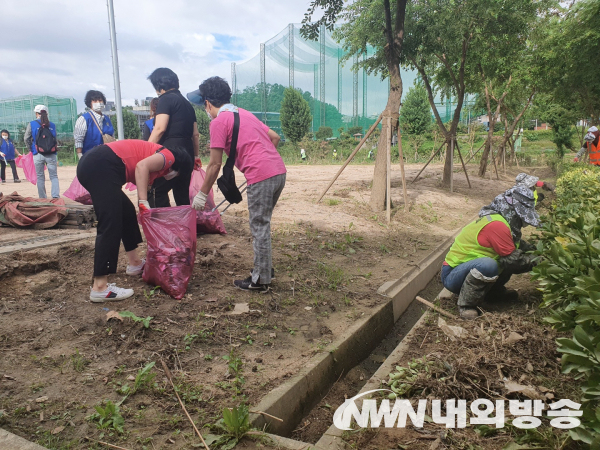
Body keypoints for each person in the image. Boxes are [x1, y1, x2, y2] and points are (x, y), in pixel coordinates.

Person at [188, 76, 286, 292]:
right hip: (279, 172)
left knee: (259, 226)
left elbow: (214, 165)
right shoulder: (244, 114)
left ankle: (260, 280)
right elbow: (275, 137)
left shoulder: (218, 122)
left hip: (262, 176)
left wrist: (202, 195)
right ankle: (265, 268)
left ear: (207, 103)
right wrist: (265, 161)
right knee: (263, 223)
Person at [77, 140, 193, 302]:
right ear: (179, 166)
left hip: (96, 164)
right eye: (179, 174)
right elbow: (141, 167)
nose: (174, 177)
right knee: (110, 223)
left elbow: (143, 179)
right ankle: (100, 287)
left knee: (127, 212)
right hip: (100, 165)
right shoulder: (169, 156)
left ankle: (135, 263)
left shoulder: (158, 164)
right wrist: (142, 202)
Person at [441, 185, 540, 319]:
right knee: (490, 264)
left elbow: (519, 245)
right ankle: (467, 305)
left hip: (463, 272)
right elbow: (514, 261)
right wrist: (539, 261)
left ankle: (494, 294)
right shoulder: (497, 225)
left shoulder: (505, 224)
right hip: (452, 275)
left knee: (504, 257)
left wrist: (539, 251)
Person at [147, 68, 199, 207]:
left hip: (171, 154)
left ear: (159, 86)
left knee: (158, 190)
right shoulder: (187, 104)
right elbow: (195, 134)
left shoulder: (165, 100)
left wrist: (145, 151)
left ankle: (164, 226)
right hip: (187, 153)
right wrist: (195, 156)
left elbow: (159, 129)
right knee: (182, 194)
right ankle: (186, 227)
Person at [24, 105, 59, 198]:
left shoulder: (32, 124)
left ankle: (43, 198)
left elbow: (26, 138)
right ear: (46, 114)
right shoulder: (52, 125)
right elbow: (55, 139)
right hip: (51, 154)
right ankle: (55, 197)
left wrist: (31, 149)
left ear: (36, 113)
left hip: (37, 153)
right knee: (54, 176)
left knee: (40, 177)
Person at [74, 90, 115, 159]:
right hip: (90, 157)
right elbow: (79, 139)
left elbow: (112, 136)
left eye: (100, 100)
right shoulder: (84, 119)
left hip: (106, 157)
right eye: (95, 101)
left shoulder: (107, 119)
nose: (98, 103)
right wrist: (80, 155)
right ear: (90, 103)